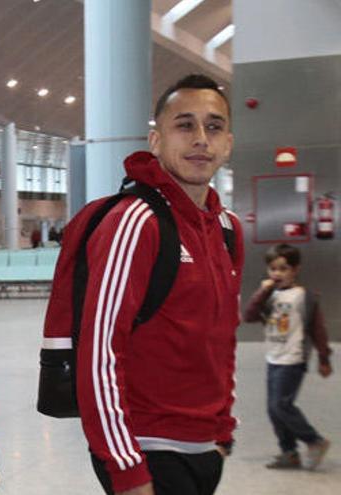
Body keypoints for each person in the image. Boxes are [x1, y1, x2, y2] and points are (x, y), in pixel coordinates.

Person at [74, 75, 243, 495]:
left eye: (214, 126)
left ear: (228, 144)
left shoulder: (227, 229)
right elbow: (97, 355)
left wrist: (221, 434)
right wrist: (127, 469)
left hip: (205, 448)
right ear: (156, 140)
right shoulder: (135, 222)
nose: (201, 139)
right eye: (185, 125)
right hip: (147, 449)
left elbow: (220, 340)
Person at [242, 244, 332, 470]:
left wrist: (324, 357)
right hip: (274, 357)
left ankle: (314, 441)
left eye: (283, 269)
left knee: (281, 405)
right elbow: (250, 316)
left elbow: (318, 330)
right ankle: (289, 452)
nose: (277, 274)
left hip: (293, 359)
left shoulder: (305, 297)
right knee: (274, 408)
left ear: (295, 270)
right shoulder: (269, 295)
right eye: (273, 269)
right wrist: (263, 291)